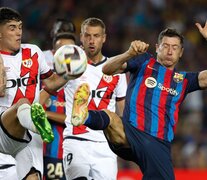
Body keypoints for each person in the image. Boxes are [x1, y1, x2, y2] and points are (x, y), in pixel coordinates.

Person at [71, 21, 207, 180]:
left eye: (175, 47)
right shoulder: (144, 61)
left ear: (181, 52)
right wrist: (129, 53)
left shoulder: (184, 80)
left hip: (157, 143)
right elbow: (107, 69)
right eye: (165, 46)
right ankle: (83, 115)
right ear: (157, 48)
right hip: (130, 132)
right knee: (111, 118)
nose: (169, 51)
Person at [0, 7, 78, 180]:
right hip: (4, 127)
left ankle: (35, 122)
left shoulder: (33, 52)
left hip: (31, 138)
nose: (18, 32)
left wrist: (69, 74)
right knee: (23, 103)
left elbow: (50, 83)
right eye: (12, 28)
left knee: (33, 177)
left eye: (20, 27)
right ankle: (36, 121)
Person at [62, 17, 127, 180]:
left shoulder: (117, 69)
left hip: (105, 145)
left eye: (96, 36)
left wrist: (126, 143)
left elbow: (123, 111)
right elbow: (50, 87)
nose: (91, 41)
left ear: (104, 38)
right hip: (76, 140)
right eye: (87, 35)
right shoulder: (70, 64)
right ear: (81, 37)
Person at [41, 26, 76, 179]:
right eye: (61, 50)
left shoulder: (83, 84)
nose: (65, 55)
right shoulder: (42, 84)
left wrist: (45, 113)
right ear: (53, 54)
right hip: (44, 153)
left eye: (70, 50)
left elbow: (77, 118)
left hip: (75, 153)